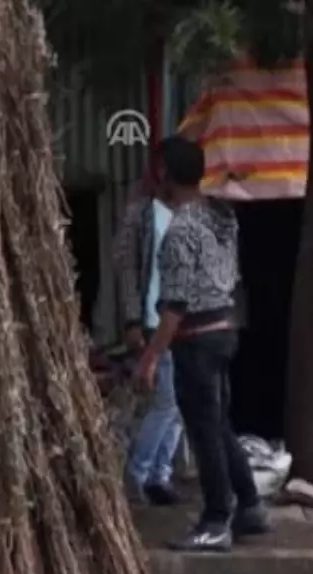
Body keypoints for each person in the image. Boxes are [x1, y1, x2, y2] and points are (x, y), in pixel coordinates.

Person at [135, 137, 269, 553]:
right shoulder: (221, 218)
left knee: (203, 429)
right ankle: (249, 506)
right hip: (226, 329)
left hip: (196, 338)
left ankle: (216, 519)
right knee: (219, 423)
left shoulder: (179, 231)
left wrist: (150, 357)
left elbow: (175, 305)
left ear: (165, 174)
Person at [112, 143, 183, 506]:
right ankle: (137, 475)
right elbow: (125, 270)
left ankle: (159, 475)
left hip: (184, 323)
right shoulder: (139, 214)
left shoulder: (190, 214)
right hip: (155, 321)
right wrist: (131, 320)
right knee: (166, 403)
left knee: (179, 406)